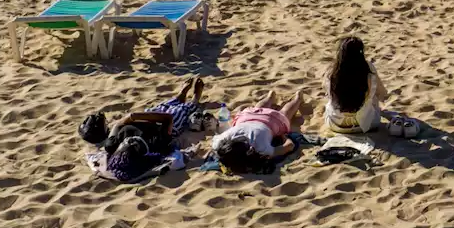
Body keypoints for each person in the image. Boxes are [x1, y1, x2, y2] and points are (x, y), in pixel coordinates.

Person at [78, 77, 214, 157]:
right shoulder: (155, 145)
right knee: (179, 112)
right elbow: (168, 119)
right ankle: (195, 100)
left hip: (141, 121)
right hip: (162, 125)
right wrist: (134, 117)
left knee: (160, 108)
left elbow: (118, 124)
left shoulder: (111, 145)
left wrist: (131, 118)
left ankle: (180, 96)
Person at [211, 90, 307, 174]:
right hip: (246, 117)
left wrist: (283, 136)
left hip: (270, 122)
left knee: (285, 114)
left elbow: (289, 146)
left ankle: (297, 99)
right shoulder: (220, 142)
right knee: (257, 109)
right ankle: (270, 97)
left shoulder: (260, 147)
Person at [324, 36, 388, 134]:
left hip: (336, 125)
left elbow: (328, 94)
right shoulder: (368, 69)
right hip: (366, 126)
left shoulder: (332, 71)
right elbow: (382, 93)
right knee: (372, 96)